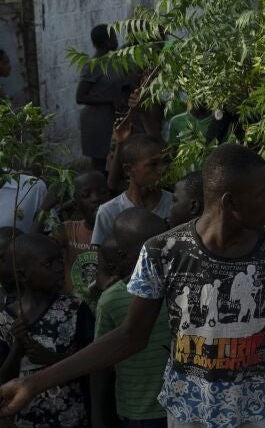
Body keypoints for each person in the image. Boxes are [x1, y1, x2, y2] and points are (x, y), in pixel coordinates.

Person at [0, 143, 265, 427]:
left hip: (259, 412)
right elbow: (129, 336)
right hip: (191, 413)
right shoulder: (163, 251)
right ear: (230, 202)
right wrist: (37, 382)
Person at [0, 234, 93, 428]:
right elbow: (3, 382)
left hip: (72, 416)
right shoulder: (5, 320)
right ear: (23, 276)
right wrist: (17, 349)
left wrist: (51, 359)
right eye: (49, 264)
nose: (59, 268)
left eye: (60, 259)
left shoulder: (75, 309)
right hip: (23, 420)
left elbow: (94, 363)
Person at [93, 208, 170, 428]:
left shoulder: (180, 286)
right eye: (155, 250)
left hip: (182, 406)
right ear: (124, 256)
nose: (166, 253)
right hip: (139, 412)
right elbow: (101, 363)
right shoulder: (112, 300)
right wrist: (98, 417)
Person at [92, 134, 173, 245]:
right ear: (129, 169)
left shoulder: (174, 205)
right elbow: (103, 254)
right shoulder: (109, 212)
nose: (162, 169)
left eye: (165, 162)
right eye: (153, 164)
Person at [76, 23, 127, 170]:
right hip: (96, 121)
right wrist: (110, 99)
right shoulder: (93, 65)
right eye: (114, 37)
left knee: (114, 161)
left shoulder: (112, 61)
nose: (117, 40)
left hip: (111, 118)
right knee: (100, 163)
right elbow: (80, 97)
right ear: (107, 42)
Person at [54, 170, 108, 305]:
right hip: (73, 308)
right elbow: (34, 251)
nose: (96, 198)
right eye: (86, 195)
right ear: (76, 204)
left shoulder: (120, 232)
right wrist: (46, 208)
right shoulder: (68, 230)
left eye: (103, 192)